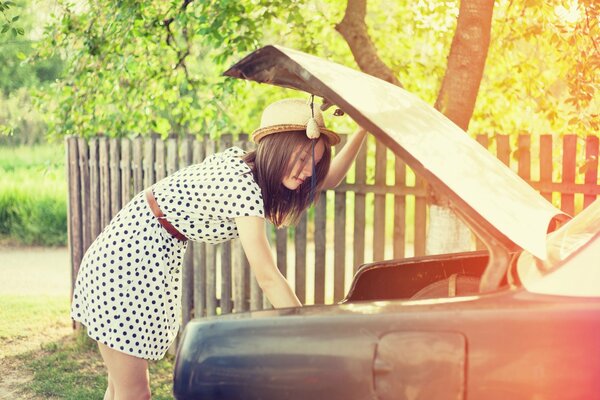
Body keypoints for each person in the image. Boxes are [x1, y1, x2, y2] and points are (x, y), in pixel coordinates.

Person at [70, 97, 368, 400]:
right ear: (277, 149)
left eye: (314, 163)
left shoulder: (252, 172)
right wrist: (307, 330)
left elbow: (328, 180)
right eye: (303, 158)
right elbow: (267, 275)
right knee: (134, 393)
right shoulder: (241, 183)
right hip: (128, 258)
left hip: (149, 253)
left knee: (120, 389)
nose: (308, 171)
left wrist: (362, 130)